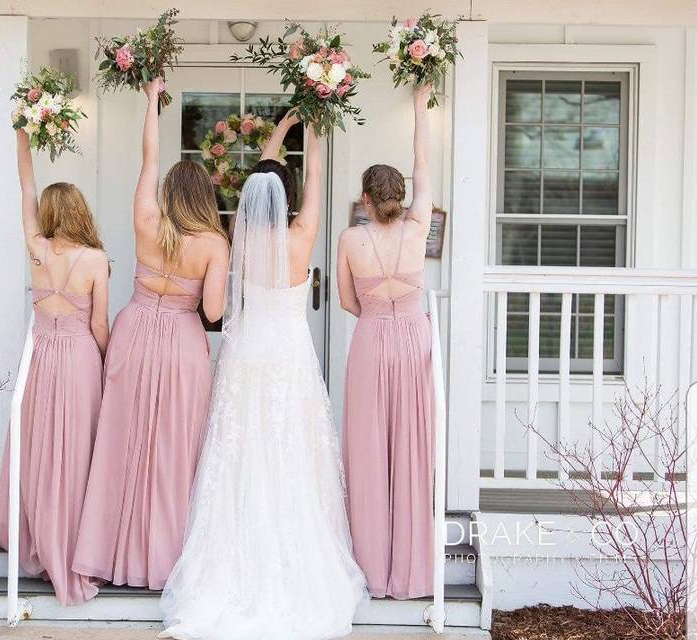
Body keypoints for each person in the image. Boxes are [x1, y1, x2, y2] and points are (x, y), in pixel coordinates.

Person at [160, 116, 367, 640]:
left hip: (246, 353)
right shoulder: (302, 236)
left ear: (254, 200)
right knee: (291, 451)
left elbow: (263, 176)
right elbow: (312, 176)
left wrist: (283, 128)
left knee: (241, 452)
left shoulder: (241, 236)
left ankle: (232, 565)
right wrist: (316, 129)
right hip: (289, 356)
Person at [73, 78, 230, 590]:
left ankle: (108, 553)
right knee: (172, 453)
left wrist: (150, 103)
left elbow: (148, 159)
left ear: (168, 192)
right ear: (205, 196)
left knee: (121, 444)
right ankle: (164, 561)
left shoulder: (146, 220)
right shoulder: (213, 244)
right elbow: (214, 312)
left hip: (135, 331)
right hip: (183, 342)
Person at [0, 128, 109, 606]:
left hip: (41, 355)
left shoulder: (37, 251)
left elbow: (24, 187)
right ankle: (75, 548)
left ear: (49, 213)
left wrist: (22, 136)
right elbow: (100, 324)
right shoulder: (96, 259)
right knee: (77, 453)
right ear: (80, 212)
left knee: (41, 451)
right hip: (80, 356)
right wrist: (104, 363)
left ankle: (40, 543)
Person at [336, 84, 435, 599]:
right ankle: (412, 570)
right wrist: (421, 106)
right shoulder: (419, 228)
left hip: (372, 340)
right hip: (414, 340)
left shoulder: (352, 239)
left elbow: (347, 302)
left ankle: (371, 569)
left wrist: (376, 312)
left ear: (367, 199)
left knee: (370, 449)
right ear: (401, 195)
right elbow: (424, 163)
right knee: (411, 450)